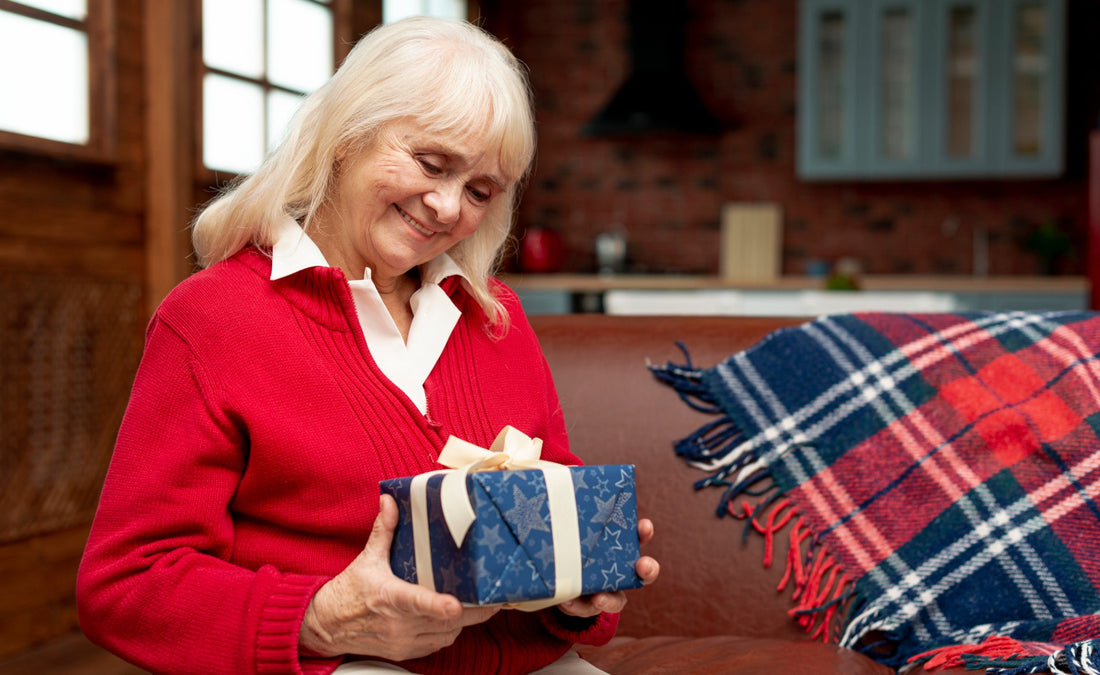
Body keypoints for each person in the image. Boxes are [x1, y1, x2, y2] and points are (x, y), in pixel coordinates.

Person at [76, 14, 658, 675]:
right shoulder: (211, 319)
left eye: (479, 190)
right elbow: (124, 584)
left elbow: (550, 509)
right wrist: (319, 617)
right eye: (430, 163)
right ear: (344, 138)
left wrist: (578, 583)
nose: (446, 207)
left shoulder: (497, 315)